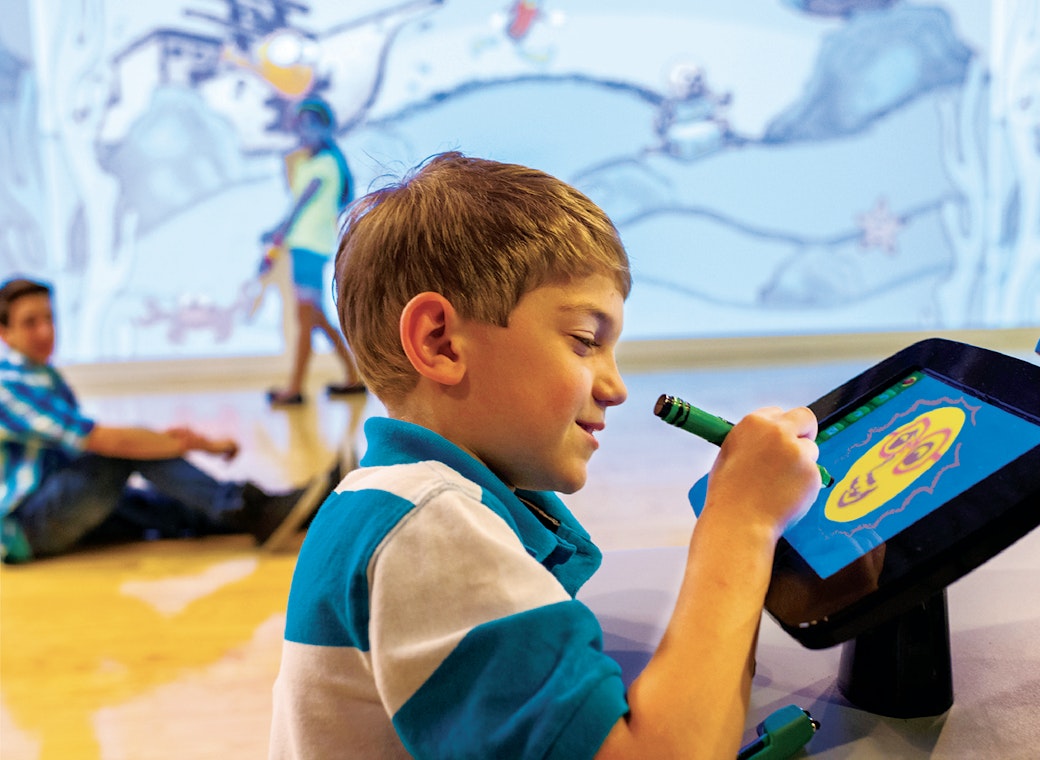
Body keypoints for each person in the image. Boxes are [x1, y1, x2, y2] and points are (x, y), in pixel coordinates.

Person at [269, 153, 825, 759]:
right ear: (440, 341)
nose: (615, 387)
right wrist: (741, 522)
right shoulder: (426, 524)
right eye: (586, 341)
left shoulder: (400, 503)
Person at [0, 277, 306, 564]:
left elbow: (80, 450)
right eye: (30, 323)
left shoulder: (42, 377)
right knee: (124, 451)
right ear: (5, 333)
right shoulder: (9, 384)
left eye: (49, 319)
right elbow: (107, 441)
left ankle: (298, 512)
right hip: (27, 527)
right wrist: (195, 445)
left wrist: (163, 442)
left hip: (48, 506)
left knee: (173, 511)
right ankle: (247, 509)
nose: (45, 331)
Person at [262, 96, 363, 406]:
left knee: (307, 316)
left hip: (308, 245)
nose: (303, 131)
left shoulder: (325, 163)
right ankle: (352, 376)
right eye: (300, 125)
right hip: (307, 245)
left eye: (309, 124)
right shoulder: (316, 161)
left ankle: (295, 388)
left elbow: (301, 203)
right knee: (311, 316)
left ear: (325, 127)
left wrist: (279, 231)